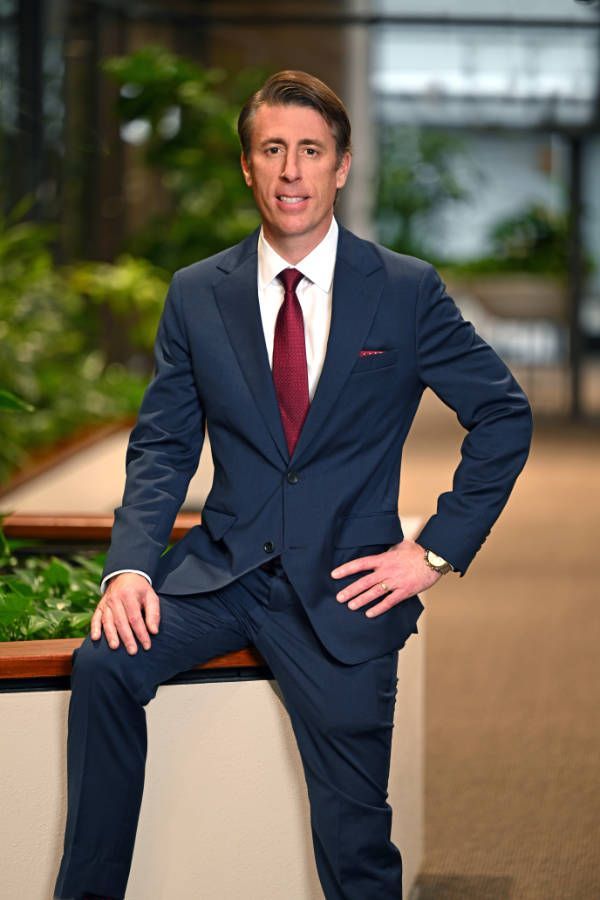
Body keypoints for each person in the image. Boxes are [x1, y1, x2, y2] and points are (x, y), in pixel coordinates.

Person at [54, 70, 532, 900]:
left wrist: (434, 554)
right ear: (248, 165)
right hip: (225, 572)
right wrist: (129, 567)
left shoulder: (406, 292)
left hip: (347, 589)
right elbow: (163, 445)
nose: (291, 171)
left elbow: (503, 417)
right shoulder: (199, 294)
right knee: (103, 668)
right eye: (273, 149)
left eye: (311, 151)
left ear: (341, 166)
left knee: (355, 846)